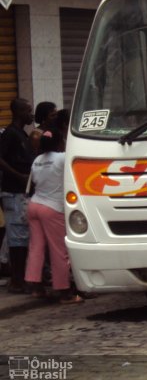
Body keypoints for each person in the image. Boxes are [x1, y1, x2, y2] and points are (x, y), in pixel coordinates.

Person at [24, 128, 83, 304]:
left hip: (34, 205)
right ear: (59, 143)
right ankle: (64, 291)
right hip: (52, 208)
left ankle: (35, 287)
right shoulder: (62, 158)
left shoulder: (37, 160)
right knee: (59, 250)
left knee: (36, 247)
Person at [0, 98, 35, 293]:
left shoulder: (22, 134)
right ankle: (16, 280)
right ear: (19, 112)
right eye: (28, 111)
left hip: (22, 192)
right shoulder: (10, 134)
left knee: (22, 237)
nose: (31, 115)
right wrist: (18, 175)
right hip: (13, 192)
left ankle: (21, 278)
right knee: (16, 239)